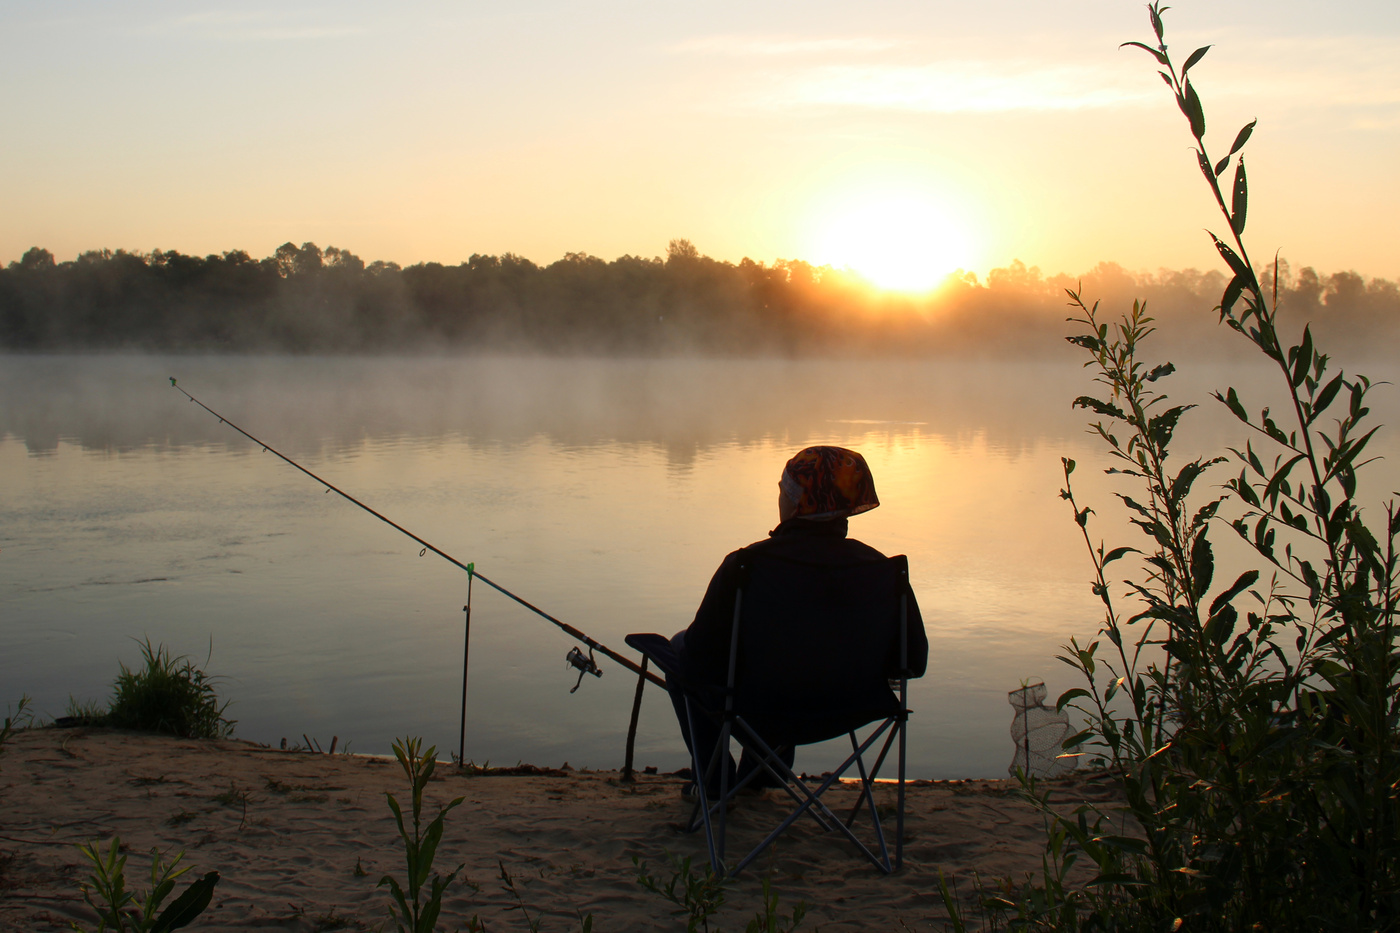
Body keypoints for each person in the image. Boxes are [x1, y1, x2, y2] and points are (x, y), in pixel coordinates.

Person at [668, 445, 928, 794]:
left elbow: (701, 657)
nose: (779, 497)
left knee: (681, 650)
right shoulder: (882, 570)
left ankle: (716, 781)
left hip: (761, 707)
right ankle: (760, 773)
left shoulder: (747, 566)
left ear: (797, 501)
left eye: (783, 489)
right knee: (793, 664)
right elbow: (912, 661)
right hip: (851, 708)